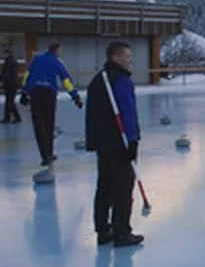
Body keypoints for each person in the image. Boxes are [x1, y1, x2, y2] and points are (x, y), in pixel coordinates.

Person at [84, 41, 144, 248]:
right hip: (120, 143)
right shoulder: (121, 80)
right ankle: (122, 232)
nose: (130, 60)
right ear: (115, 57)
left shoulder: (97, 80)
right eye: (127, 56)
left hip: (103, 144)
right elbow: (127, 112)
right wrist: (133, 140)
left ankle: (103, 229)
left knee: (105, 186)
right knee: (122, 188)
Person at [21, 42, 82, 167]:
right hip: (49, 94)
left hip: (35, 93)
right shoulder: (57, 62)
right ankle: (49, 153)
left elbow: (27, 76)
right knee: (49, 123)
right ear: (57, 50)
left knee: (39, 125)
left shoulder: (36, 59)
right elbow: (66, 80)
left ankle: (45, 156)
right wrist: (75, 96)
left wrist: (24, 91)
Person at [0, 49, 22, 123]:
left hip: (9, 84)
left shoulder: (8, 62)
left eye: (4, 54)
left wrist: (0, 81)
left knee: (10, 101)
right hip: (13, 84)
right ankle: (8, 117)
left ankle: (15, 117)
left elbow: (5, 72)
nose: (3, 56)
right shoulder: (13, 61)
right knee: (9, 101)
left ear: (7, 54)